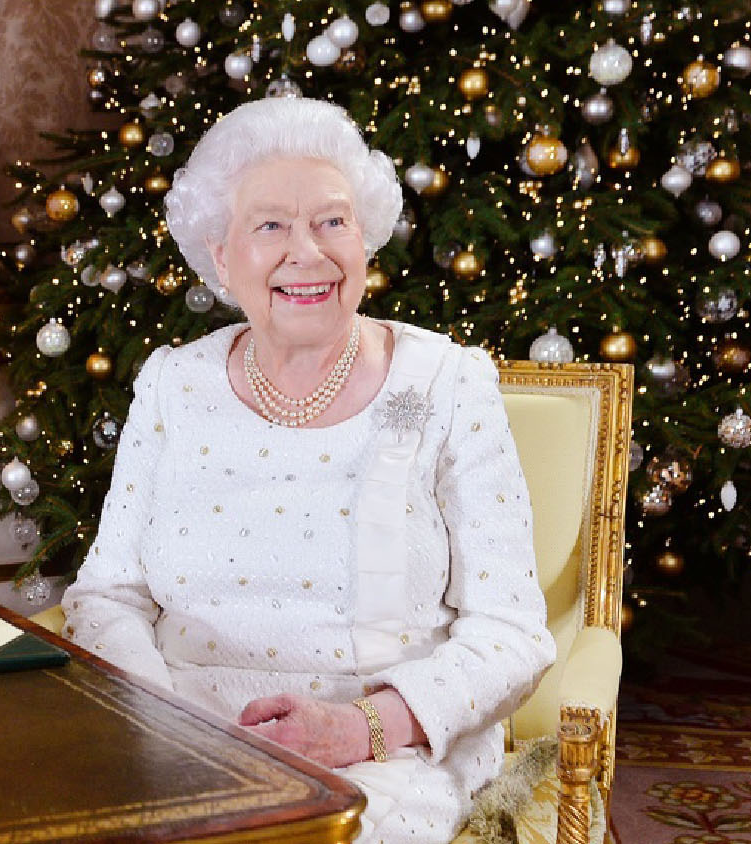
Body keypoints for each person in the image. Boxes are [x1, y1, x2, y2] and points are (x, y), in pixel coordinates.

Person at [59, 97, 553, 844]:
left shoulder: (445, 384)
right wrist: (163, 726)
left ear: (366, 239)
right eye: (270, 226)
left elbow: (512, 633)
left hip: (381, 757)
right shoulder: (173, 385)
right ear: (221, 257)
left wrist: (362, 728)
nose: (308, 253)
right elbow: (108, 595)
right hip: (177, 739)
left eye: (332, 221)